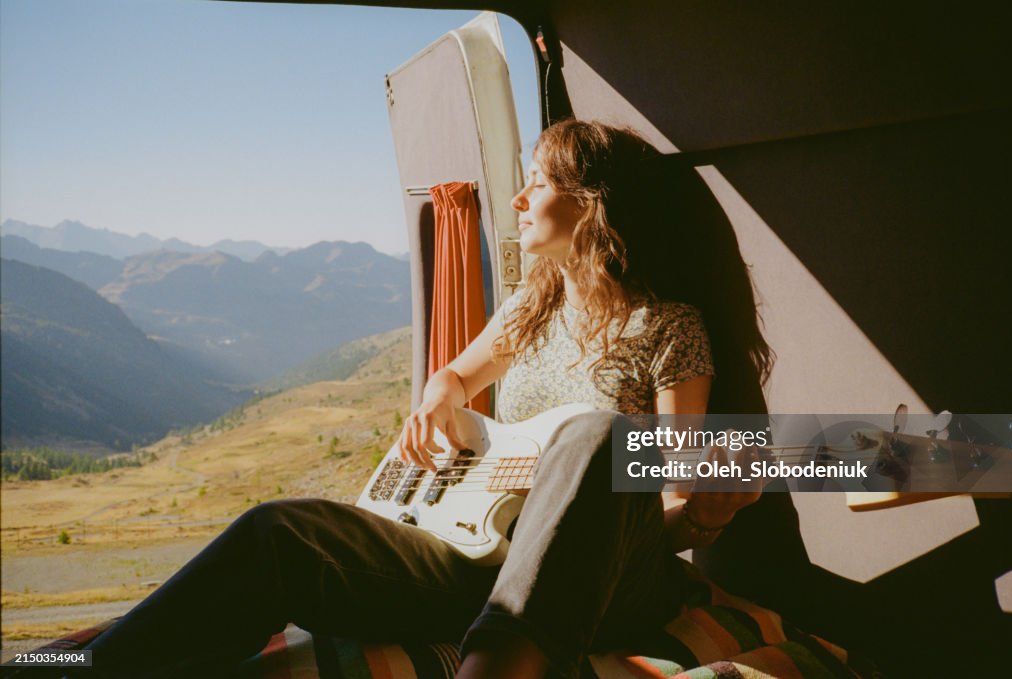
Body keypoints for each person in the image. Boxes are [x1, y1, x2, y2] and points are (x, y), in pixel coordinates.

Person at [61, 120, 828, 679]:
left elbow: (674, 486)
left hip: (607, 581)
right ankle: (82, 667)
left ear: (592, 206)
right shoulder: (533, 305)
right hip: (479, 559)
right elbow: (455, 378)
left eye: (541, 181)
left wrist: (699, 514)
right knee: (278, 531)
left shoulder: (670, 327)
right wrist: (438, 398)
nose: (521, 197)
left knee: (595, 437)